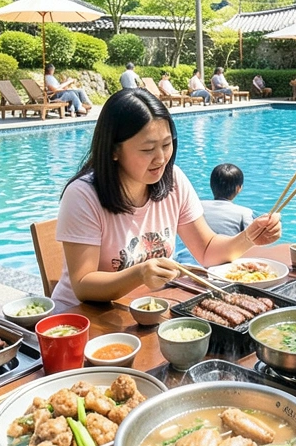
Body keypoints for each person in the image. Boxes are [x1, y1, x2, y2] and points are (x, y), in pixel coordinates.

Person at [54, 89, 281, 303]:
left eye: (166, 144)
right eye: (148, 149)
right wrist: (139, 274)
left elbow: (206, 250)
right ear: (114, 150)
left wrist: (249, 237)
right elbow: (83, 285)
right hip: (84, 320)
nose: (161, 158)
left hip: (144, 309)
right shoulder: (84, 195)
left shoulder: (172, 181)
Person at [201, 163, 255, 237]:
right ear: (238, 188)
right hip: (228, 248)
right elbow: (251, 241)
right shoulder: (245, 214)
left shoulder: (195, 207)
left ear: (211, 184)